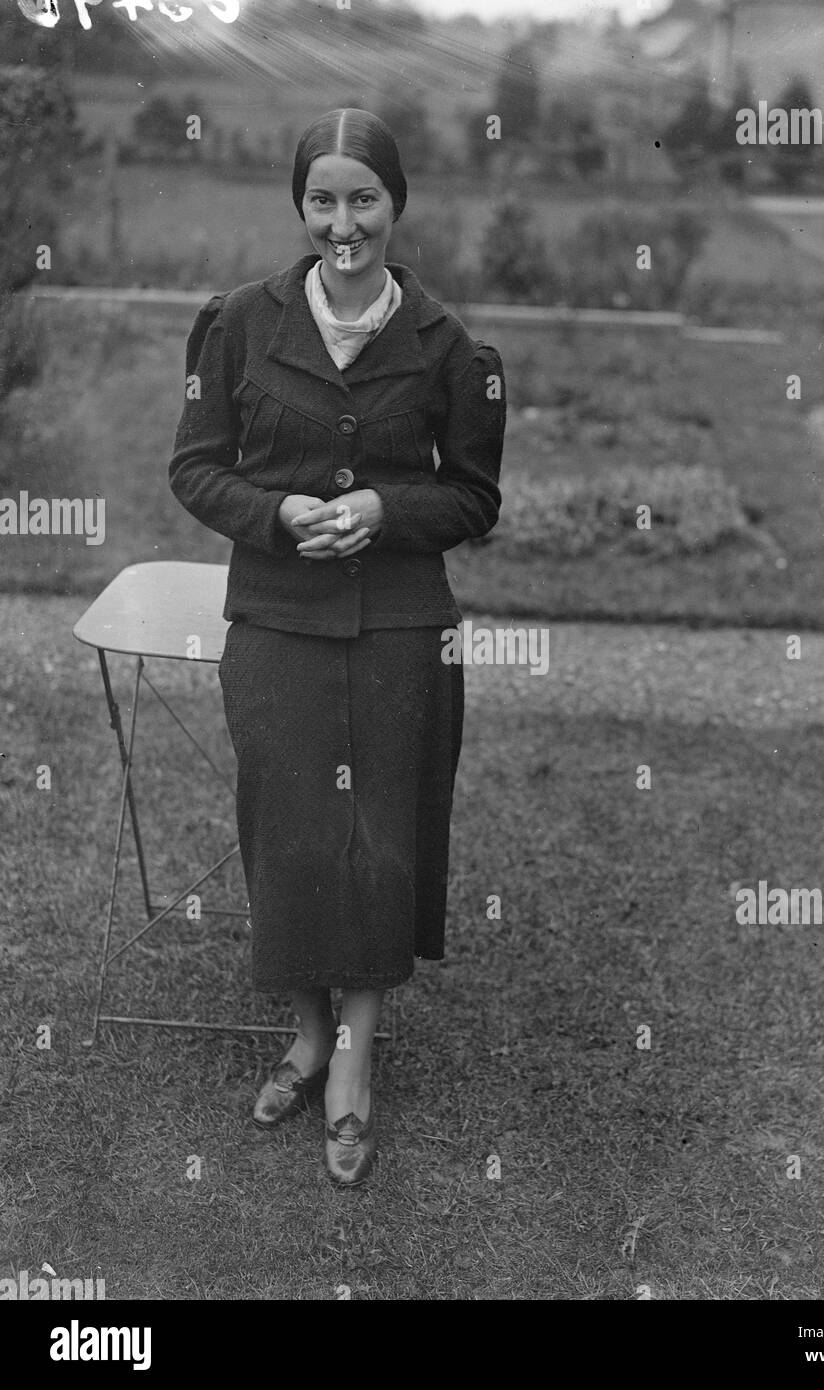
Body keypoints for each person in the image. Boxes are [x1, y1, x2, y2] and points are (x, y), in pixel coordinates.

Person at [168, 108, 507, 1184]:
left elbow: (473, 496)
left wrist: (385, 515)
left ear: (396, 205)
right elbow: (195, 467)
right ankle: (308, 1035)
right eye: (324, 198)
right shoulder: (234, 324)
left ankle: (353, 1066)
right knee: (292, 836)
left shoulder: (453, 349)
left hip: (401, 629)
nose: (343, 221)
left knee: (379, 841)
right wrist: (276, 519)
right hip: (275, 619)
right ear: (300, 204)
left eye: (364, 198)